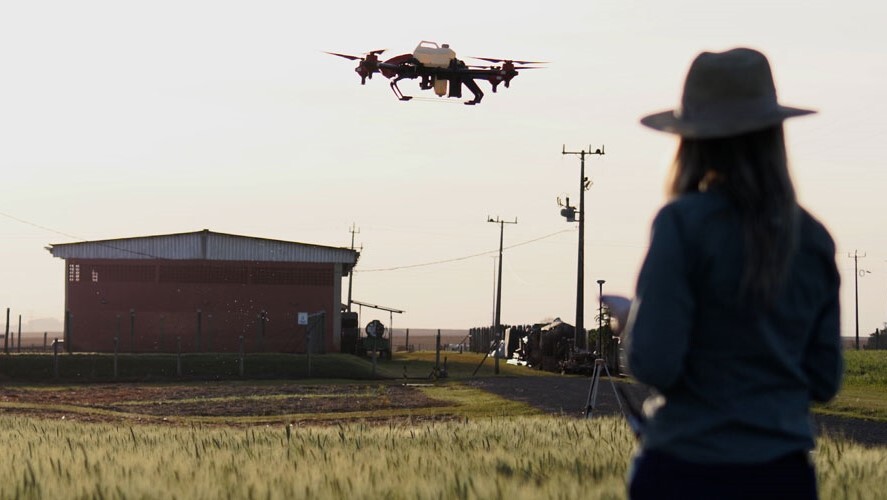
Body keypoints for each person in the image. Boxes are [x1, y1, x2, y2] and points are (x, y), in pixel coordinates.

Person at [623, 48, 842, 499]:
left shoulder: (682, 225)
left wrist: (631, 323)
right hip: (784, 478)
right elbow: (824, 379)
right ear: (773, 135)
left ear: (692, 141)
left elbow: (654, 363)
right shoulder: (814, 238)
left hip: (684, 470)